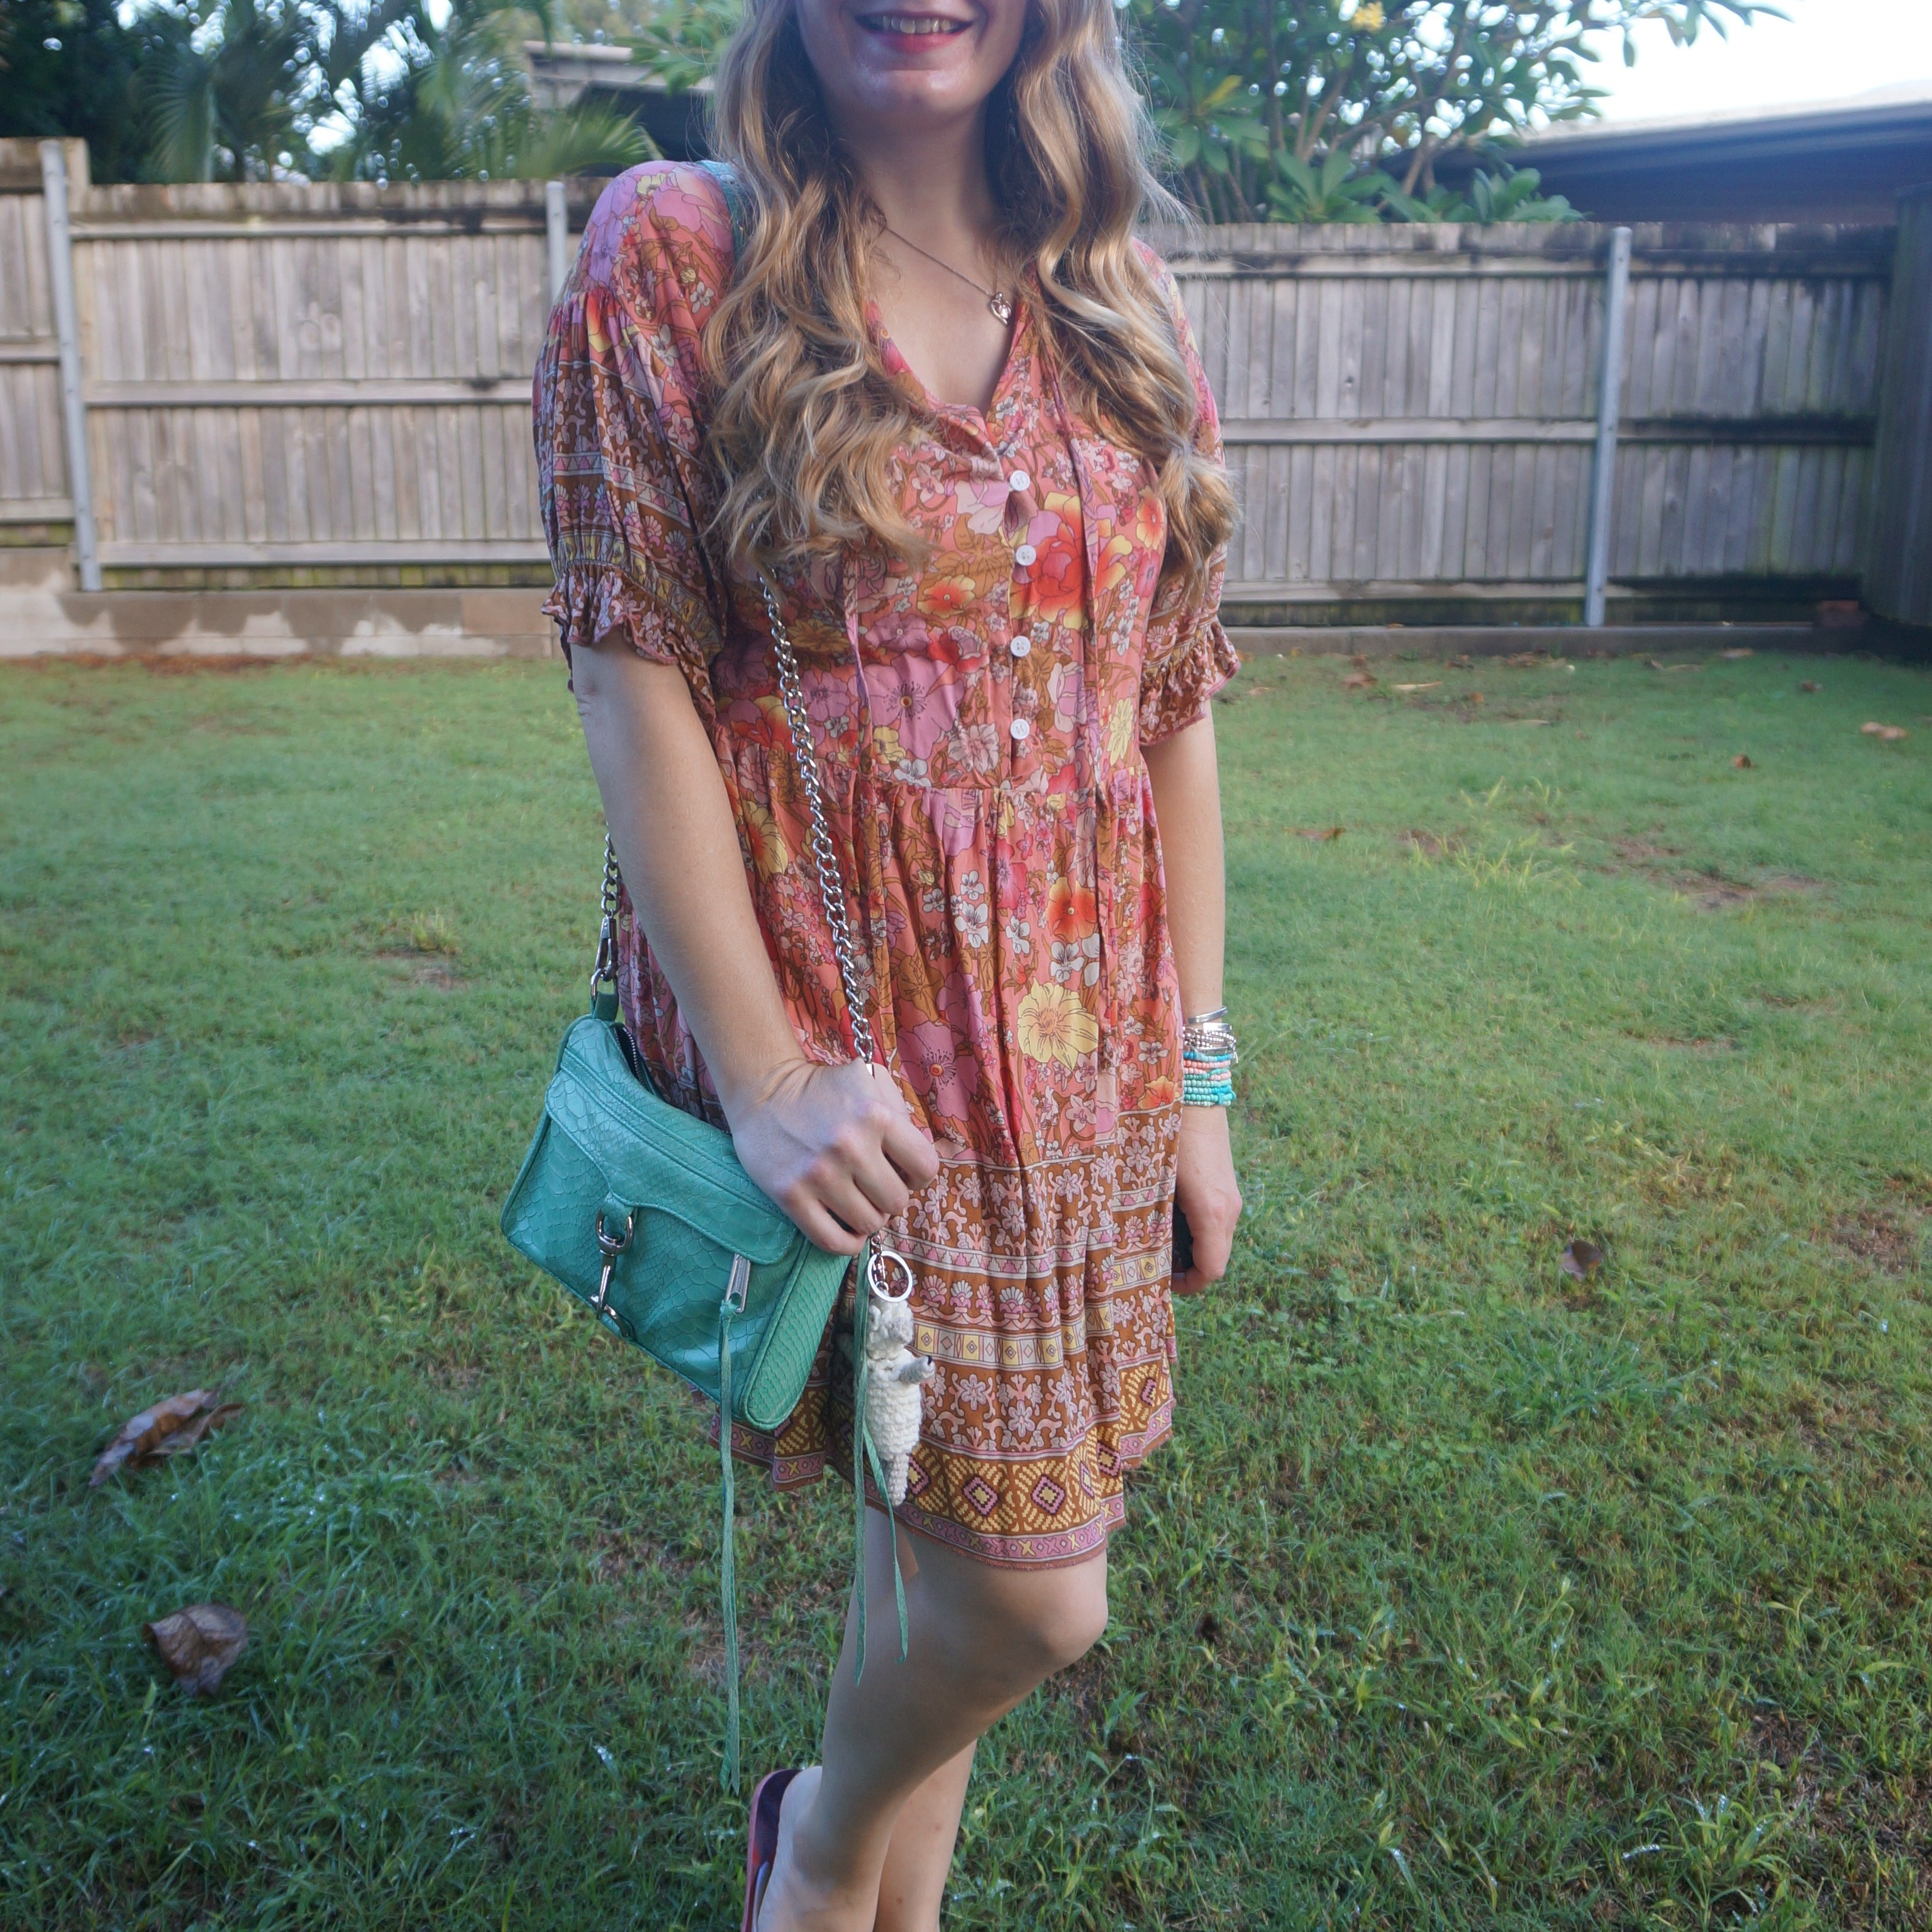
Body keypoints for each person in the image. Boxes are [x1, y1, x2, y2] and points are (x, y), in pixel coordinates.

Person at [532, 0, 1244, 1923]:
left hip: (1088, 1074)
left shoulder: (1124, 307)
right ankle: (823, 1846)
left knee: (934, 1539)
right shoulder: (680, 252)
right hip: (860, 1074)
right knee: (1033, 1592)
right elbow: (632, 663)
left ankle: (880, 1903)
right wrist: (762, 1076)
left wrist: (1197, 1077)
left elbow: (1165, 712)